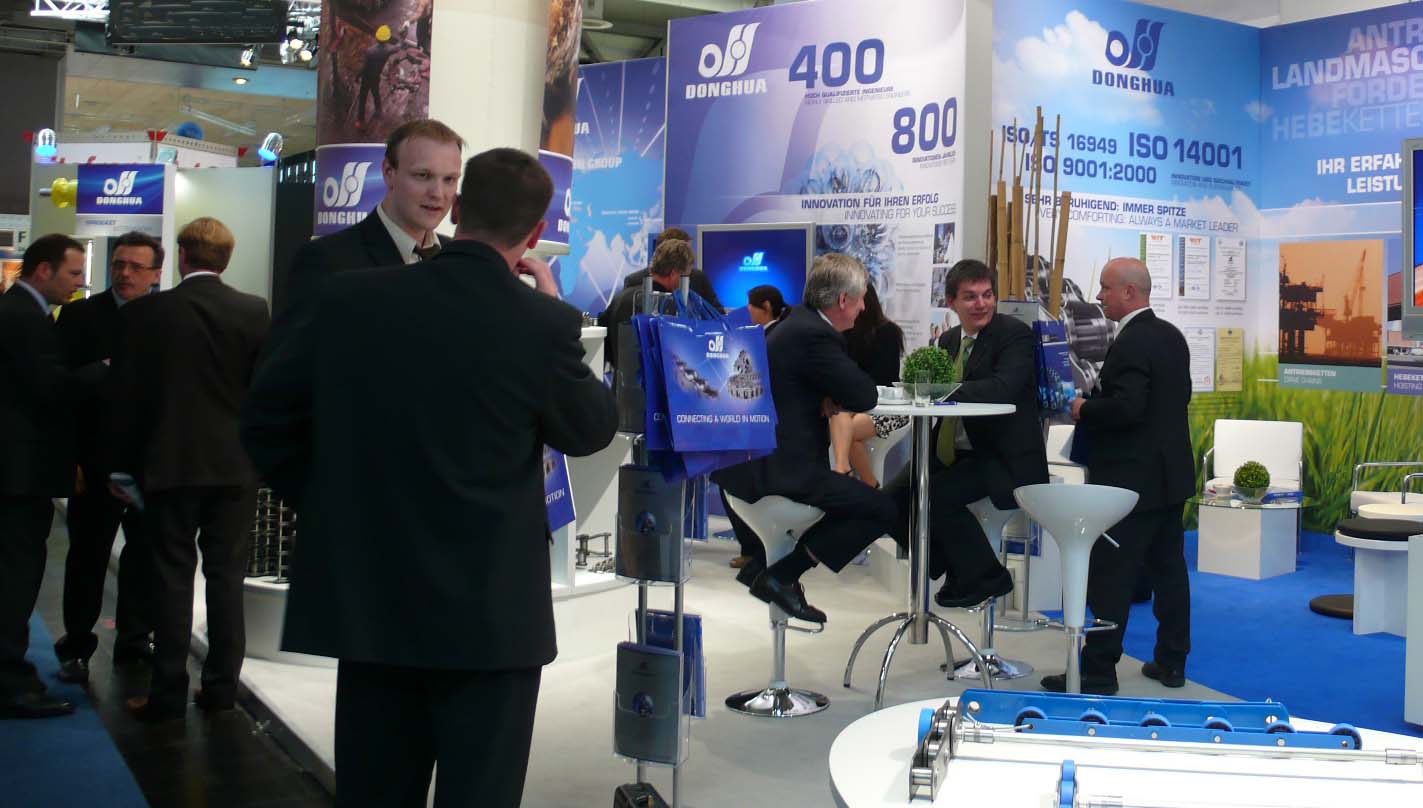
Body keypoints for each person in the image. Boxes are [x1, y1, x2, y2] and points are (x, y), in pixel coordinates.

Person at [240, 147, 618, 808]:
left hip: (374, 602)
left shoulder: (349, 298)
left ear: (459, 208)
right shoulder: (542, 322)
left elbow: (266, 423)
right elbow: (589, 430)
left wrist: (334, 505)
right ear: (535, 234)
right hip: (490, 616)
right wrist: (553, 307)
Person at [105, 218, 271, 722]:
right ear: (226, 257)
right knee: (226, 578)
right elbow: (263, 391)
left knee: (172, 578)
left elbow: (128, 398)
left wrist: (121, 467)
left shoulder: (148, 313)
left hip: (170, 464)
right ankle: (221, 689)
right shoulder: (254, 310)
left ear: (181, 256)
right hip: (234, 468)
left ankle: (167, 693)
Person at [712, 253, 898, 623]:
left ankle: (764, 571)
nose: (864, 307)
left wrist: (824, 394)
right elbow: (864, 395)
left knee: (860, 499)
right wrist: (832, 393)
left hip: (755, 463)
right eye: (860, 298)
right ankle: (782, 576)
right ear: (843, 300)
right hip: (780, 469)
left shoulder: (794, 324)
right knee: (882, 508)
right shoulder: (816, 336)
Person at [1041, 257, 1193, 695]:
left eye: (1105, 288)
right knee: (1169, 572)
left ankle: (1097, 671)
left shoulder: (1131, 341)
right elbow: (1174, 398)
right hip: (1169, 476)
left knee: (1112, 575)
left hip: (1130, 480)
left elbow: (1128, 408)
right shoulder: (1171, 336)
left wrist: (1084, 408)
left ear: (1129, 292)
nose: (1098, 296)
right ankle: (1172, 662)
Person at [887, 259, 1048, 609]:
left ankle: (987, 576)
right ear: (951, 302)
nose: (981, 304)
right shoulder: (948, 339)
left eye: (987, 295)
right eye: (970, 296)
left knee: (934, 496)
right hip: (950, 452)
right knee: (890, 499)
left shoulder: (1014, 335)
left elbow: (1002, 389)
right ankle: (952, 566)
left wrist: (941, 390)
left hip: (1000, 458)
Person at [52, 231, 164, 684]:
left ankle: (134, 642)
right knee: (87, 556)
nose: (125, 274)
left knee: (144, 556)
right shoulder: (79, 316)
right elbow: (59, 390)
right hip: (95, 459)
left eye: (136, 267)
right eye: (119, 264)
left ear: (156, 273)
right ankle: (77, 644)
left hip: (149, 464)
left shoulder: (167, 319)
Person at [0, 234, 103, 719]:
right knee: (16, 578)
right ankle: (10, 683)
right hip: (19, 476)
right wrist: (100, 371)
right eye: (73, 273)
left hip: (21, 474)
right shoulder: (23, 318)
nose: (79, 283)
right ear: (44, 270)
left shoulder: (23, 312)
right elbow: (49, 390)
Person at [281, 118, 470, 311]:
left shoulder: (458, 259)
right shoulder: (326, 260)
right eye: (423, 175)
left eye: (449, 179)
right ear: (388, 173)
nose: (438, 193)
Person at [830, 284, 906, 488]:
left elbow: (883, 378)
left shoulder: (888, 332)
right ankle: (854, 481)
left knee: (848, 433)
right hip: (851, 403)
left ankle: (869, 485)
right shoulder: (843, 333)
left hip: (887, 406)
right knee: (840, 420)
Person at [598, 238, 695, 371]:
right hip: (657, 383)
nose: (687, 283)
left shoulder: (620, 298)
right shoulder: (671, 307)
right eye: (686, 276)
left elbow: (603, 343)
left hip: (621, 380)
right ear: (673, 274)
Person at [622, 226, 724, 310]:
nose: (690, 256)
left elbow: (718, 314)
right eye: (685, 252)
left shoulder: (698, 278)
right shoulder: (634, 282)